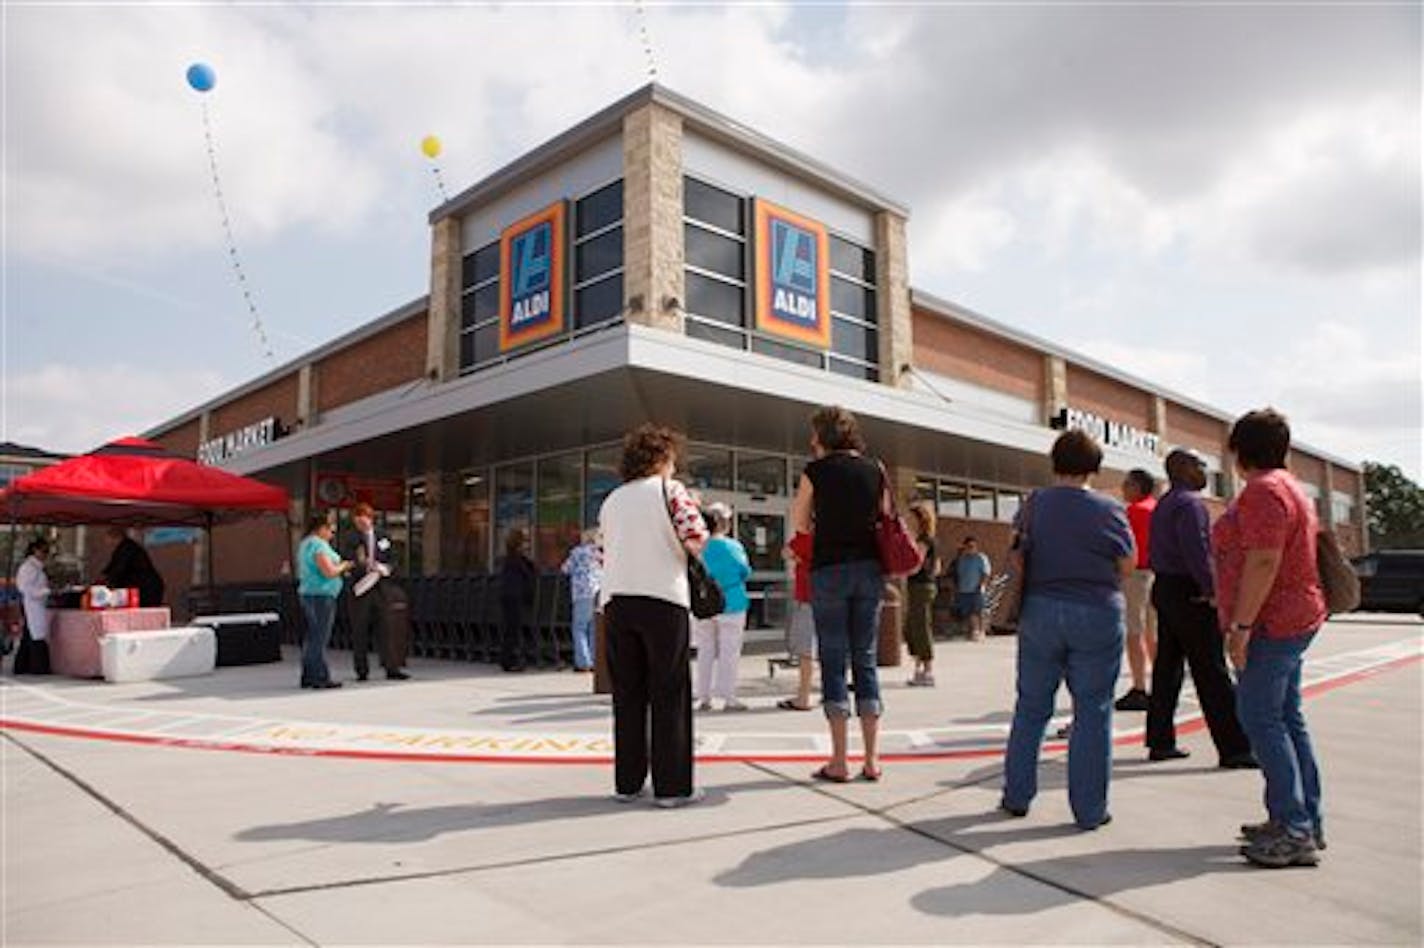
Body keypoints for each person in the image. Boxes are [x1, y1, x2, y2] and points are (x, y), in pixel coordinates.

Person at [1000, 430, 1135, 831]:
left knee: (1031, 706)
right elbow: (1128, 565)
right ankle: (1090, 810)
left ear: (1054, 463)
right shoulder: (1109, 509)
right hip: (1097, 611)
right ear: (1093, 467)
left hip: (1040, 609)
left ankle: (1017, 795)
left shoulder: (1033, 505)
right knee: (1092, 711)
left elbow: (1016, 556)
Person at [1215, 409, 1328, 868]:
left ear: (1241, 450)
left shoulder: (1263, 491)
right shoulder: (1291, 487)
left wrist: (1240, 627)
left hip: (1272, 622)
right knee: (1285, 718)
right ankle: (1302, 818)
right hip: (1296, 615)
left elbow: (1263, 561)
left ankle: (1294, 828)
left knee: (1260, 717)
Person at [599, 423, 708, 807]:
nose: (674, 469)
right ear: (662, 458)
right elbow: (696, 537)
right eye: (672, 461)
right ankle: (672, 787)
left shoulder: (611, 500)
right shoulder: (670, 490)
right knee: (669, 692)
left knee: (627, 695)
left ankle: (627, 783)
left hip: (617, 600)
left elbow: (602, 554)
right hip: (663, 597)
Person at [790, 405, 885, 783]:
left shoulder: (815, 472)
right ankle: (873, 759)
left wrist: (822, 522)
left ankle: (840, 761)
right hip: (868, 569)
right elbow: (885, 517)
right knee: (866, 658)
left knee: (832, 658)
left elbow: (799, 522)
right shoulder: (875, 469)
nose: (811, 440)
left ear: (823, 436)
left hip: (829, 569)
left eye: (814, 434)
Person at [1145, 449, 1256, 769]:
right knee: (1211, 670)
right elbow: (1197, 551)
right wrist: (1213, 590)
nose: (1205, 471)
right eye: (1200, 465)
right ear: (1183, 469)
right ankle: (1235, 748)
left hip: (1166, 588)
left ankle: (1160, 740)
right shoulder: (1191, 504)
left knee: (1168, 668)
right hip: (1190, 592)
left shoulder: (1165, 503)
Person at [694, 503, 752, 712]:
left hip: (703, 604)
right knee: (729, 651)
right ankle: (728, 697)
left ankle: (704, 697)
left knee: (705, 650)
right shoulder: (733, 546)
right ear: (725, 523)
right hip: (732, 602)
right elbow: (744, 571)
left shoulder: (698, 546)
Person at [346, 502, 409, 682]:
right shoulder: (351, 539)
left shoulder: (383, 536)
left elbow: (394, 558)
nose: (361, 524)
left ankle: (392, 667)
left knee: (387, 628)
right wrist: (361, 563)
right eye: (357, 521)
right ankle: (362, 670)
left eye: (363, 520)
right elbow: (347, 560)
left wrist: (386, 568)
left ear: (370, 518)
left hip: (382, 587)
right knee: (360, 629)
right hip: (361, 588)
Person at [1116, 468, 1158, 712]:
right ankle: (1159, 680)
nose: (1123, 488)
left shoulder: (1134, 511)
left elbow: (1123, 546)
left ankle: (1139, 686)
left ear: (1137, 487)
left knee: (1134, 631)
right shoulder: (1156, 508)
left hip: (1135, 574)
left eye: (1127, 484)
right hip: (1155, 573)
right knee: (1152, 632)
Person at [296, 513, 350, 689]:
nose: (332, 534)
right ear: (321, 529)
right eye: (331, 530)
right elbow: (328, 571)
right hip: (320, 595)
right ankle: (319, 676)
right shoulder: (318, 545)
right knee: (319, 637)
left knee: (312, 636)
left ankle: (308, 675)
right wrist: (344, 566)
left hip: (309, 593)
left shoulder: (305, 544)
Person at [778, 530, 817, 712]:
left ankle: (804, 696)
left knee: (805, 652)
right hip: (831, 597)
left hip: (808, 598)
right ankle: (832, 692)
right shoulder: (833, 534)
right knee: (829, 649)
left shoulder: (806, 536)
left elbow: (785, 552)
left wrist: (798, 558)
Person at [903, 502, 940, 686]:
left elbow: (915, 564)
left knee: (920, 626)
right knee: (912, 626)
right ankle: (919, 669)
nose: (907, 521)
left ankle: (928, 670)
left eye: (911, 518)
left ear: (920, 519)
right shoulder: (923, 539)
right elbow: (937, 567)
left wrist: (898, 570)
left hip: (921, 586)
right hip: (921, 586)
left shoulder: (924, 540)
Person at [561, 528, 603, 673]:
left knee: (579, 627)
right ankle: (594, 661)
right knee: (593, 628)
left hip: (581, 592)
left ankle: (583, 662)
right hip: (597, 592)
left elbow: (565, 569)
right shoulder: (599, 554)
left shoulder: (577, 552)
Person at [13, 538, 53, 675]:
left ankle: (23, 666)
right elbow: (25, 588)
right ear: (35, 550)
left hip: (36, 603)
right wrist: (46, 591)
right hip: (31, 604)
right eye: (44, 551)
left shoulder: (36, 567)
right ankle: (37, 667)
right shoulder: (28, 567)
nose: (46, 554)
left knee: (30, 635)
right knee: (35, 634)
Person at [498, 529, 536, 673]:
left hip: (508, 596)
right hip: (514, 597)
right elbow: (530, 573)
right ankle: (510, 659)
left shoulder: (510, 558)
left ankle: (508, 658)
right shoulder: (517, 559)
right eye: (525, 541)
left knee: (510, 628)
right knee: (513, 629)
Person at [100, 527, 165, 607]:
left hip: (144, 589)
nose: (106, 541)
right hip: (148, 587)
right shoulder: (127, 547)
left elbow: (117, 570)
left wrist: (105, 584)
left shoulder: (126, 548)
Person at [954, 537, 992, 642]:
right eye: (968, 546)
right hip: (964, 589)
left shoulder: (981, 558)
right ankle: (975, 631)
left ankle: (982, 631)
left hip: (977, 589)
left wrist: (981, 586)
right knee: (970, 612)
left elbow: (986, 573)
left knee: (979, 611)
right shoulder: (962, 559)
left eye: (972, 546)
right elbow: (959, 574)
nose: (970, 549)